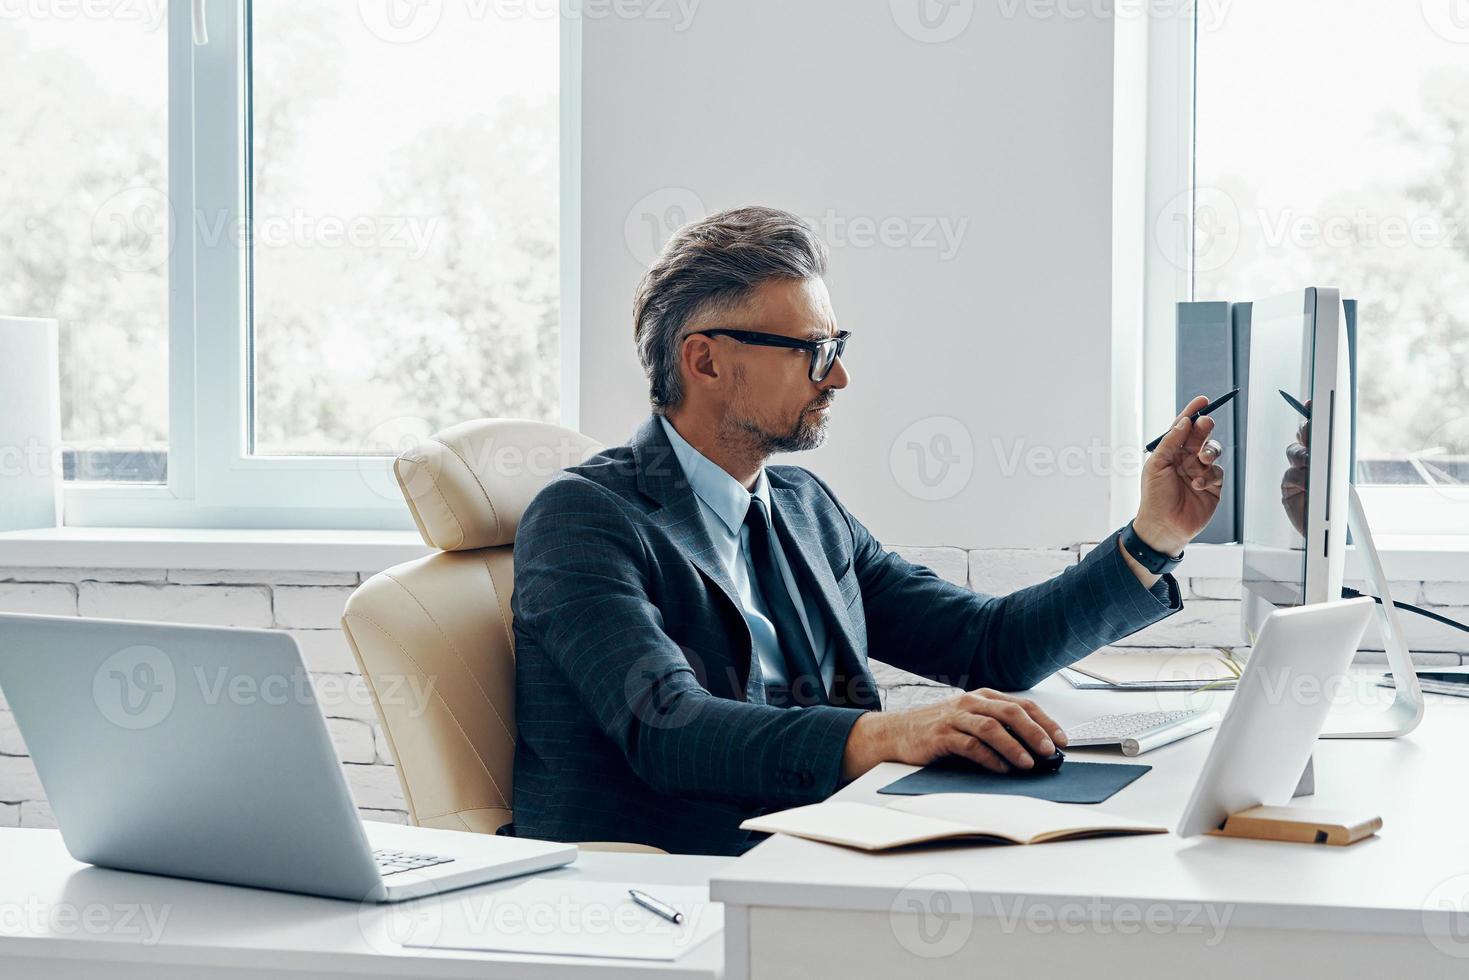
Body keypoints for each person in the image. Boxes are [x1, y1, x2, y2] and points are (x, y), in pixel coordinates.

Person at [508, 206, 1225, 855]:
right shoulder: (584, 517)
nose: (839, 377)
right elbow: (669, 728)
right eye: (813, 350)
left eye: (837, 345)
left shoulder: (802, 506)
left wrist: (1151, 536)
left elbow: (987, 645)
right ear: (705, 360)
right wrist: (891, 735)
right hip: (680, 875)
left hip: (835, 837)